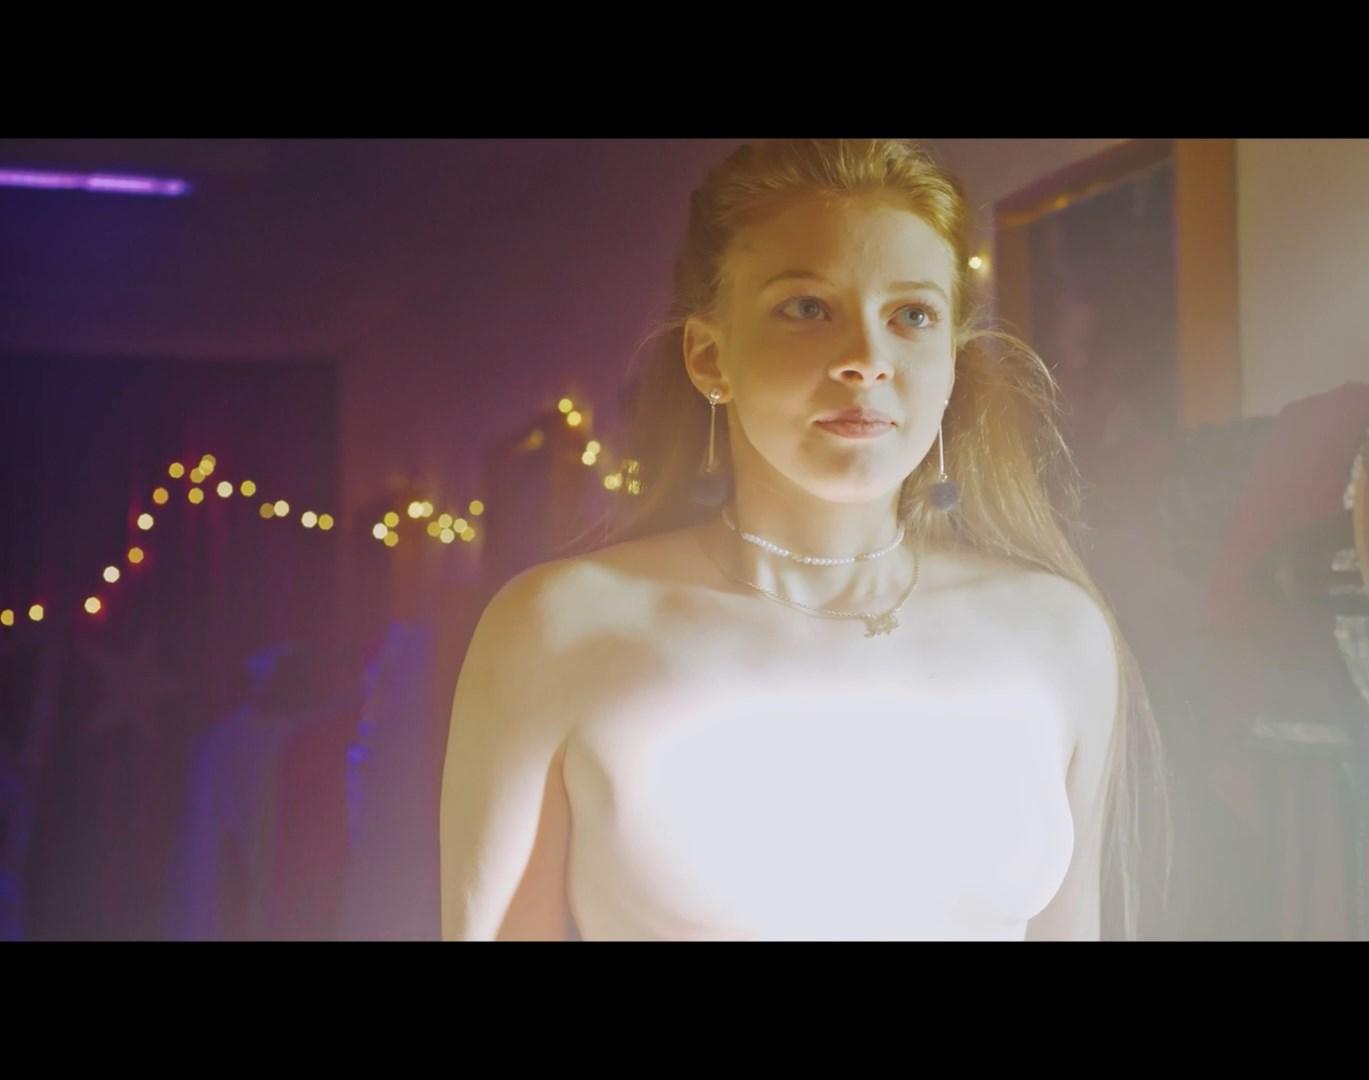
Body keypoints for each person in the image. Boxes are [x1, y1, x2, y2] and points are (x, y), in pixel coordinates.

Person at [440, 139, 1171, 941]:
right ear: (709, 355)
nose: (867, 360)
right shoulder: (559, 629)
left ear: (951, 364)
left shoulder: (1057, 633)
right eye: (808, 308)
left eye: (912, 316)